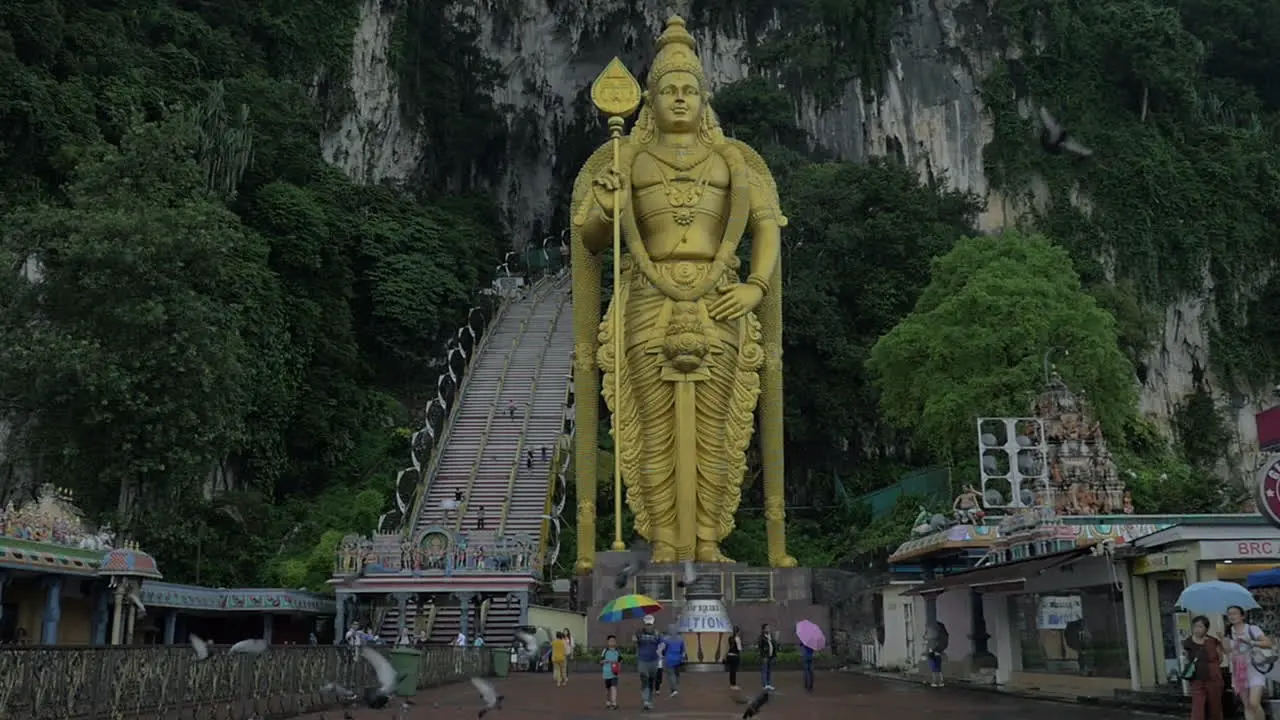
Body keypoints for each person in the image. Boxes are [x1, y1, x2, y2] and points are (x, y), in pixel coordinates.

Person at [1226, 604, 1272, 720]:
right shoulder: (1228, 633)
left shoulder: (1252, 629)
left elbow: (1268, 643)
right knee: (1247, 705)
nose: (1232, 616)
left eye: (1235, 613)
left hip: (1255, 669)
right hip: (1239, 672)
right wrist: (1224, 642)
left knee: (1254, 703)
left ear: (1242, 616)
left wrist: (1250, 642)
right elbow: (1228, 652)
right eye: (1230, 614)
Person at [1183, 615, 1225, 720]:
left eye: (1200, 626)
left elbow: (1220, 659)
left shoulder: (1213, 641)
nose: (1197, 629)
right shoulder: (1188, 642)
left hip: (1213, 677)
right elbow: (1187, 659)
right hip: (1196, 678)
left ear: (1206, 628)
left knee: (1215, 706)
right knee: (1198, 706)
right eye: (1195, 626)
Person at [635, 615, 662, 710]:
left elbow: (662, 643)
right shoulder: (639, 632)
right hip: (642, 660)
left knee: (651, 681)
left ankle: (650, 700)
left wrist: (661, 649)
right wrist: (636, 638)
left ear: (653, 624)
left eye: (650, 624)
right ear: (644, 624)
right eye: (647, 624)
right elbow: (635, 641)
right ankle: (645, 700)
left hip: (653, 660)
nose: (648, 626)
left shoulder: (657, 633)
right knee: (644, 678)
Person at [662, 627, 686, 696]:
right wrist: (682, 657)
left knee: (671, 674)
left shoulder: (666, 639)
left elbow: (663, 649)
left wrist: (662, 655)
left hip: (669, 659)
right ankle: (676, 687)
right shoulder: (680, 639)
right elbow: (683, 650)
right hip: (678, 659)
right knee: (677, 674)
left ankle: (674, 689)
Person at [601, 634, 622, 710]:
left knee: (613, 687)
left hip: (614, 673)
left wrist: (618, 668)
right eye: (610, 641)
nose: (612, 642)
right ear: (608, 642)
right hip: (606, 673)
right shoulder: (605, 651)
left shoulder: (618, 651)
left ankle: (614, 703)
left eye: (614, 641)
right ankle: (608, 701)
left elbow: (620, 661)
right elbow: (601, 661)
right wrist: (605, 661)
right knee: (608, 689)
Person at [758, 623, 776, 691]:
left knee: (769, 670)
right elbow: (760, 646)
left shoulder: (770, 636)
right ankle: (764, 685)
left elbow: (774, 645)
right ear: (763, 629)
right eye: (767, 628)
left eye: (769, 627)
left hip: (770, 656)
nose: (768, 629)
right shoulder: (761, 637)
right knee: (764, 670)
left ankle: (768, 684)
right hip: (765, 656)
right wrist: (763, 655)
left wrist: (774, 655)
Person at [725, 626, 743, 690]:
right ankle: (733, 685)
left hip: (729, 655)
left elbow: (728, 647)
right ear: (738, 632)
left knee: (731, 671)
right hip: (735, 656)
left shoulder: (730, 638)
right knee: (734, 671)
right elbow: (739, 649)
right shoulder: (737, 638)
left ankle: (732, 684)